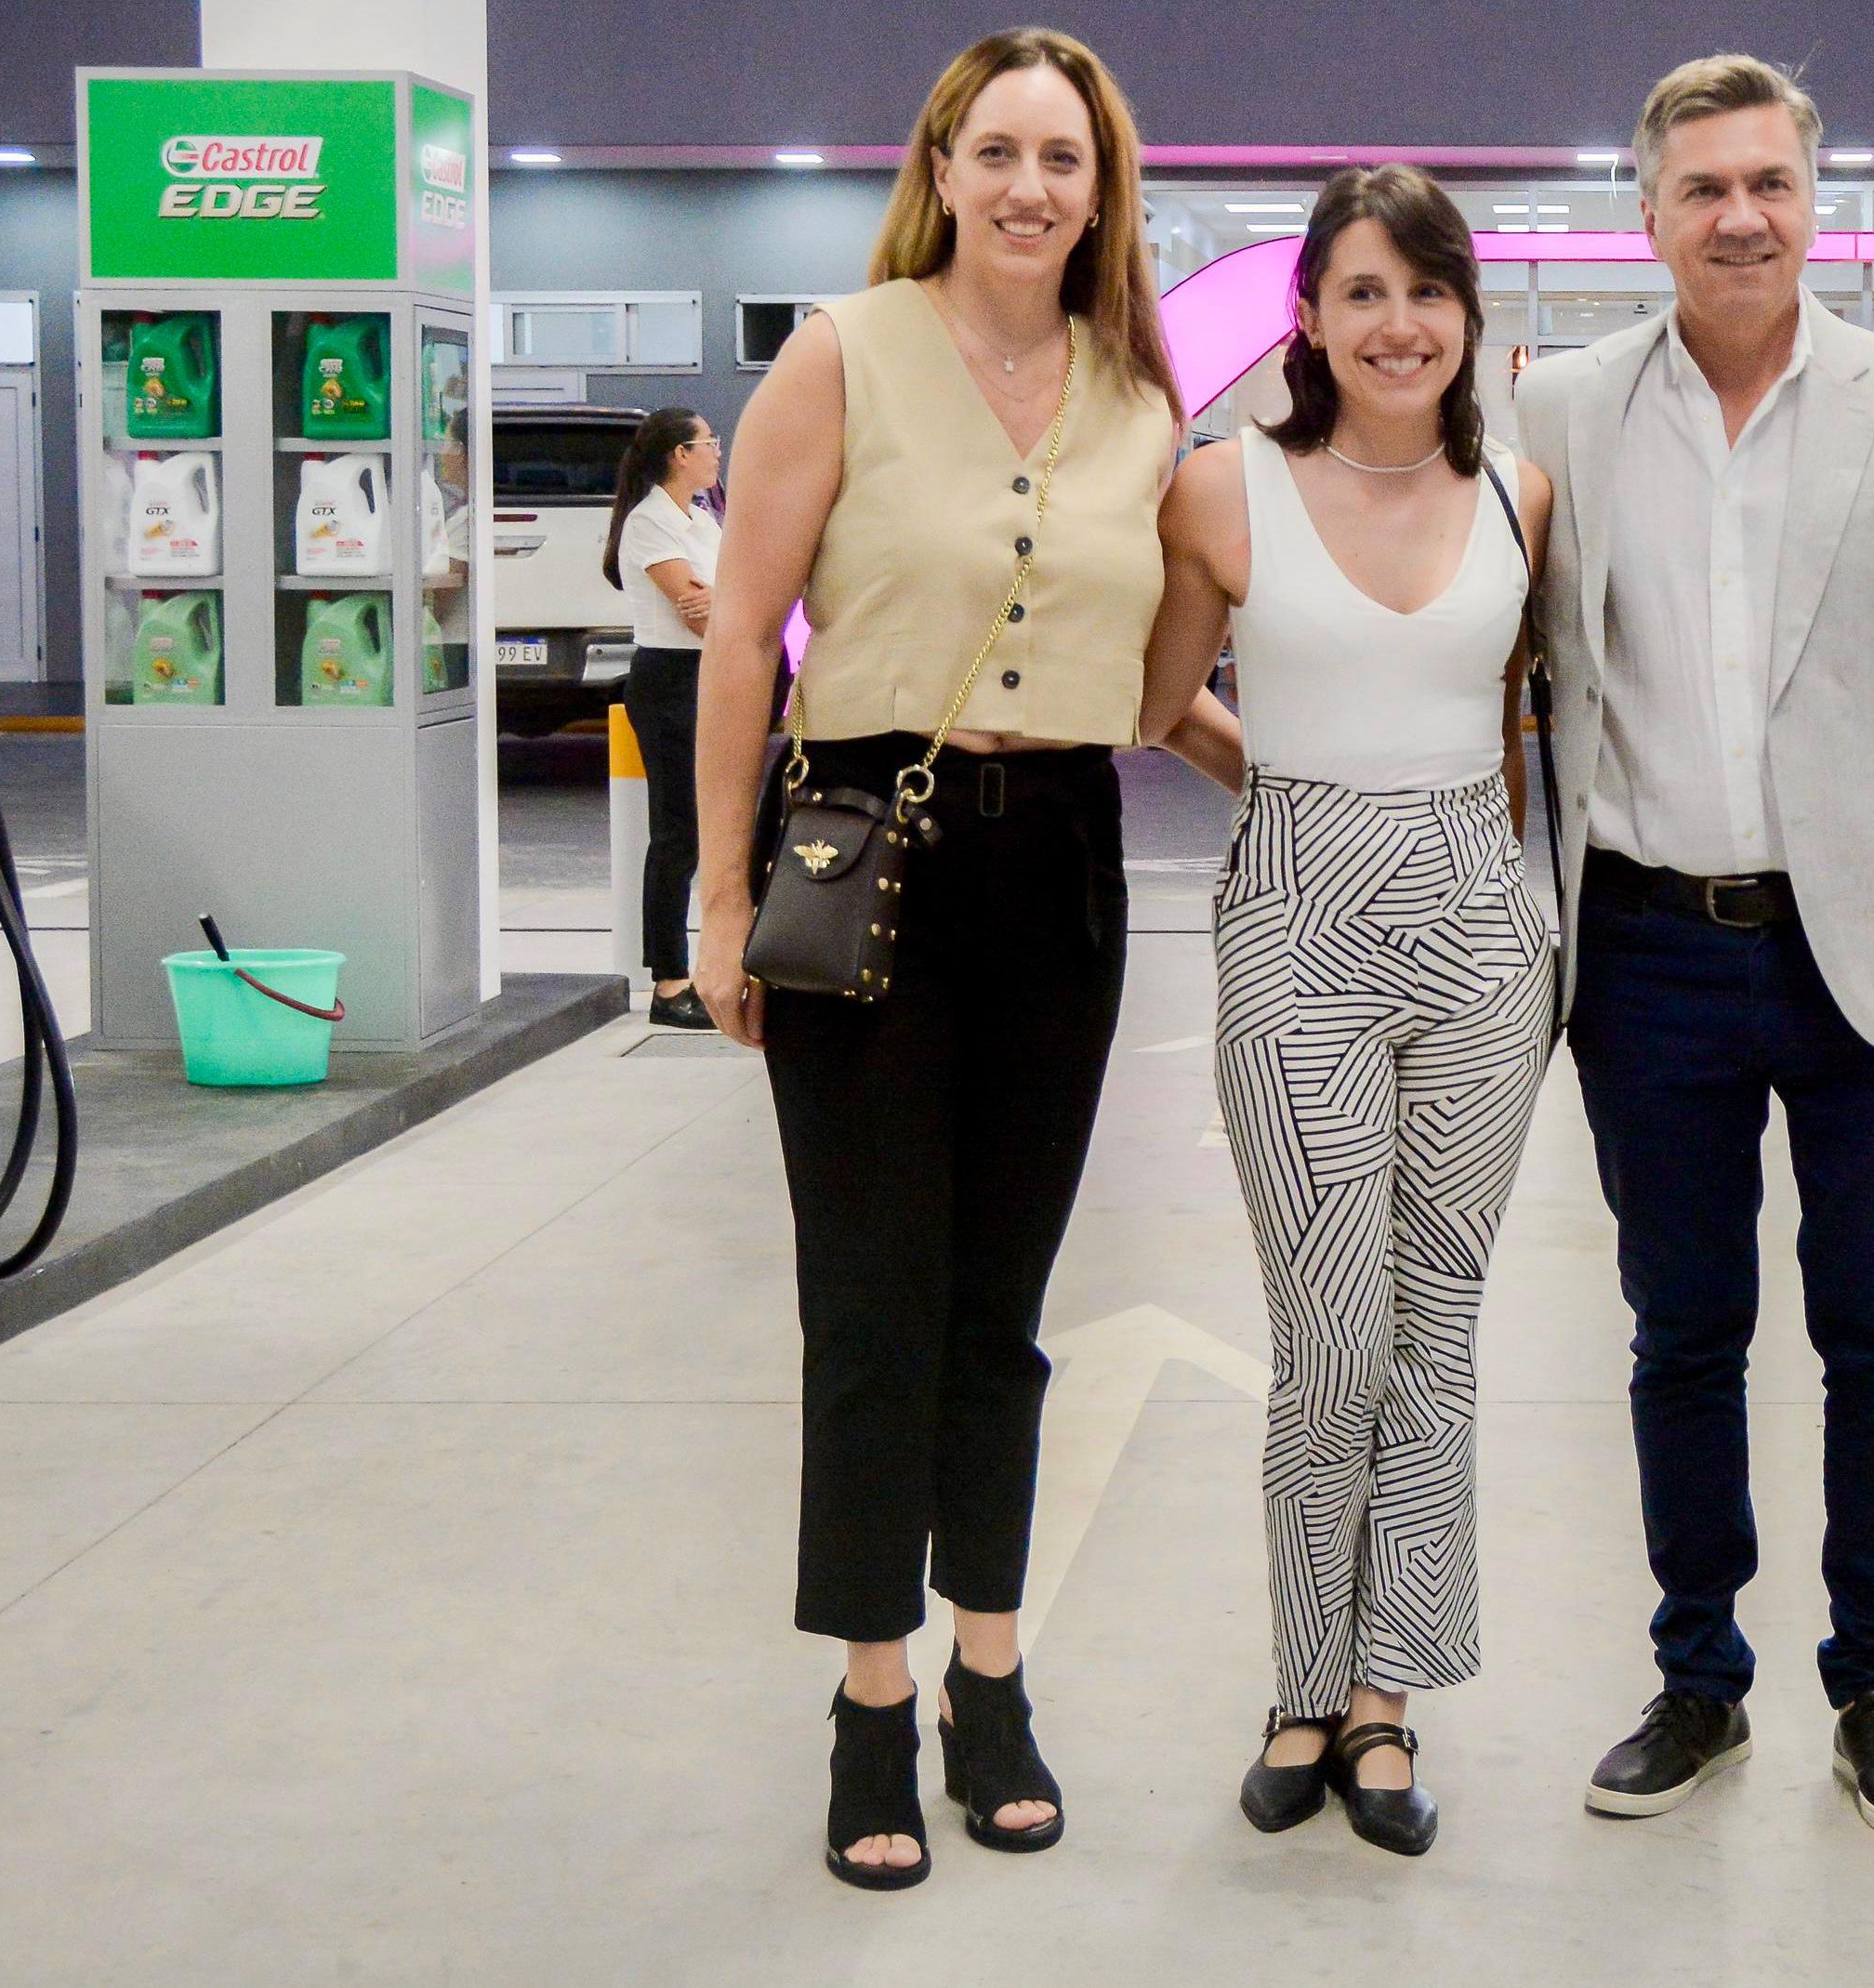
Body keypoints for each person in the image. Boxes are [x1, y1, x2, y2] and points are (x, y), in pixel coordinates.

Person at [687, 27, 1203, 1890]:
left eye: (1061, 158)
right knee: (872, 1298)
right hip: (858, 847)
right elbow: (742, 635)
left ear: (1100, 185)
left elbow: (1170, 644)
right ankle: (870, 1701)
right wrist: (716, 896)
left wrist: (1261, 733)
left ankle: (993, 1676)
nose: (1028, 188)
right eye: (996, 151)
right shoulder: (842, 352)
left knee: (999, 1300)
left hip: (1060, 860)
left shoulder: (1140, 389)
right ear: (941, 163)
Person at [1514, 53, 1874, 1843]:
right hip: (1647, 946)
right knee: (1681, 1333)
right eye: (1701, 187)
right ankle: (1697, 1673)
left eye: (1769, 182)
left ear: (1816, 200)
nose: (1738, 215)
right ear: (1644, 212)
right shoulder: (1562, 408)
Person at [1140, 164, 1552, 1860]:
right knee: (1326, 1336)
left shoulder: (1525, 490)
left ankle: (1386, 1692)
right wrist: (1292, 790)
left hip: (1478, 931)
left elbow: (1528, 719)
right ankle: (1297, 1678)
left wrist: (1473, 858)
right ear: (1306, 313)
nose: (1399, 324)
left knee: (1438, 1327)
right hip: (1293, 926)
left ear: (1469, 315)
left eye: (1428, 290)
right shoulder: (1223, 491)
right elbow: (1160, 697)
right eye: (1364, 291)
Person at [602, 408, 724, 1029]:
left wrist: (723, 598)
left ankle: (706, 970)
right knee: (677, 833)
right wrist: (724, 601)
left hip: (709, 678)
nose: (716, 451)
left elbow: (727, 599)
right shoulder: (650, 523)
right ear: (679, 454)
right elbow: (695, 612)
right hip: (670, 680)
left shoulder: (698, 518)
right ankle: (669, 981)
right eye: (708, 442)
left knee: (711, 829)